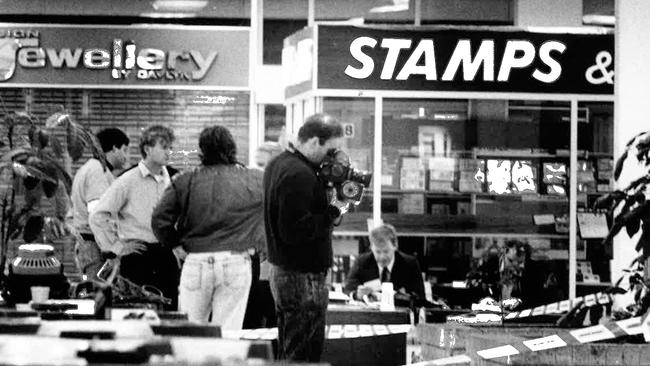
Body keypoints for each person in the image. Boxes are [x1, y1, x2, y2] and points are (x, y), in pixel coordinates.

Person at [151, 125, 264, 330]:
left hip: (196, 260)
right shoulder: (255, 179)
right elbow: (276, 212)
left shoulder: (185, 180)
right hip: (237, 261)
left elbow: (159, 220)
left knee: (189, 332)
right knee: (228, 334)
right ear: (232, 149)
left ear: (201, 151)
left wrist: (175, 244)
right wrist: (261, 244)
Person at [264, 113, 345, 362]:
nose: (333, 158)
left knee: (292, 348)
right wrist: (334, 209)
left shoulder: (278, 164)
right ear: (312, 142)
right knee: (303, 353)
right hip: (303, 277)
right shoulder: (300, 174)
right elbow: (295, 231)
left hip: (286, 272)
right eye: (330, 151)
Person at [89, 125, 180, 309]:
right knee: (137, 311)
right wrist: (116, 246)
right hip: (138, 257)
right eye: (164, 147)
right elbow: (98, 215)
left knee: (169, 312)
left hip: (166, 256)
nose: (168, 152)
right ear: (147, 149)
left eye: (170, 147)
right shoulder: (127, 180)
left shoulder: (174, 179)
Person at [71, 127, 130, 279]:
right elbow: (97, 214)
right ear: (115, 148)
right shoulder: (97, 170)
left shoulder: (91, 168)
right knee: (99, 296)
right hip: (96, 247)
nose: (127, 156)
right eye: (125, 150)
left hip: (91, 245)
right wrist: (112, 249)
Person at [344, 223, 425, 303]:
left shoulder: (410, 264)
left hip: (399, 314)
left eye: (386, 251)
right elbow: (347, 290)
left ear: (395, 246)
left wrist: (399, 297)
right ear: (371, 248)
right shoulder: (361, 262)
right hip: (369, 313)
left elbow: (420, 296)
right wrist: (356, 295)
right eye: (378, 252)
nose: (382, 257)